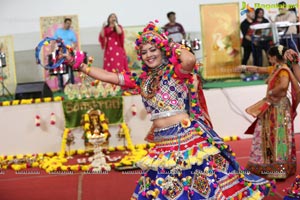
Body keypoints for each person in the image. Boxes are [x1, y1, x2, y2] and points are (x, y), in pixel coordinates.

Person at [70, 20, 274, 199]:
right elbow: (110, 77)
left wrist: (169, 44)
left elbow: (190, 60)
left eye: (153, 49)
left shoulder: (175, 72)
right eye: (144, 52)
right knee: (164, 188)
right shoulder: (140, 79)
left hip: (187, 138)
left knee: (202, 186)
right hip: (162, 141)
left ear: (162, 50)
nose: (149, 55)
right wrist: (80, 66)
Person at [236, 45, 300, 180]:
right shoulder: (276, 68)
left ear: (274, 57)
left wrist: (271, 92)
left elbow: (283, 86)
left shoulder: (283, 70)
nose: (269, 60)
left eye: (270, 57)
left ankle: (280, 170)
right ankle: (267, 166)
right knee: (266, 135)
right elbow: (259, 69)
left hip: (280, 108)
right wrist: (243, 67)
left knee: (280, 137)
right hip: (272, 107)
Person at [53, 18, 78, 91]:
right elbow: (53, 42)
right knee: (60, 69)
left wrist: (72, 49)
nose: (68, 25)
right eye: (67, 23)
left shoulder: (71, 32)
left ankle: (72, 86)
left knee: (71, 68)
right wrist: (52, 52)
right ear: (64, 23)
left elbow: (75, 43)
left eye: (70, 24)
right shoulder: (58, 31)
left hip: (69, 53)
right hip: (60, 52)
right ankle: (61, 87)